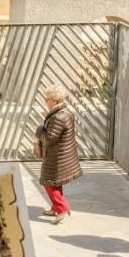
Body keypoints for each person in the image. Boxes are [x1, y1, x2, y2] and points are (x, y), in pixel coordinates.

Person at [35, 85, 82, 224]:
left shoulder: (58, 117)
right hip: (61, 155)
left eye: (47, 98)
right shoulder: (62, 113)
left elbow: (49, 138)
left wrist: (39, 129)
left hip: (57, 157)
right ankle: (55, 207)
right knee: (55, 183)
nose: (45, 101)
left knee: (48, 182)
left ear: (54, 101)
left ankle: (62, 208)